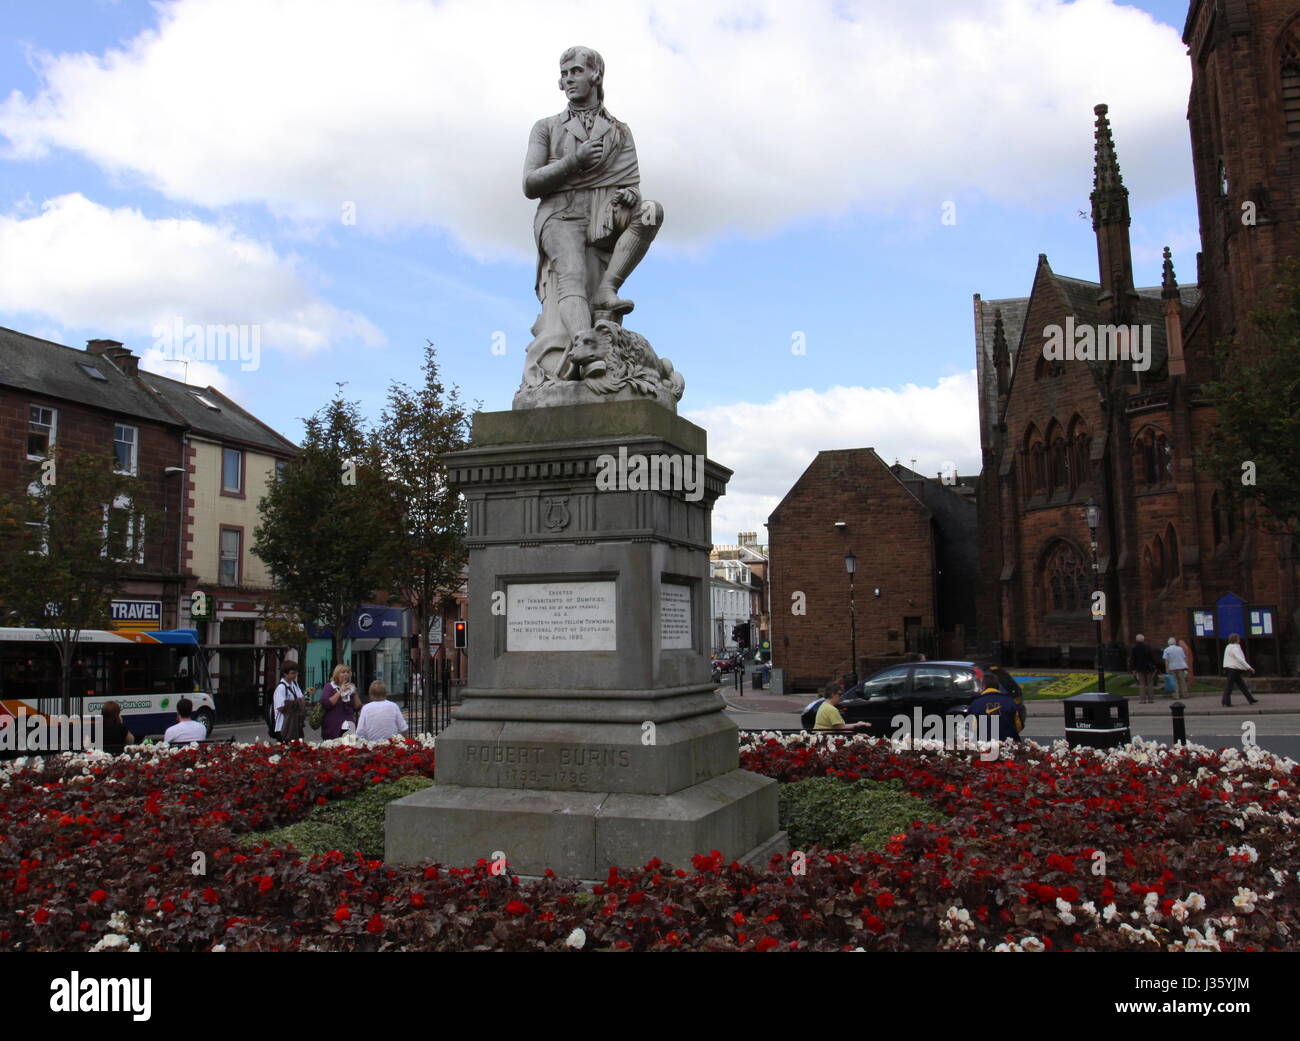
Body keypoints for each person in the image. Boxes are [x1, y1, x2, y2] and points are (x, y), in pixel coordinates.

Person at [520, 46, 664, 382]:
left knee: (651, 212)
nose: (568, 79)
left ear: (596, 75)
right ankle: (589, 356)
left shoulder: (619, 130)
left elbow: (629, 183)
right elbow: (529, 184)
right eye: (565, 73)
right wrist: (574, 161)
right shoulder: (546, 128)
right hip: (561, 213)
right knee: (570, 276)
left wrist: (630, 195)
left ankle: (607, 289)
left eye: (576, 71)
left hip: (602, 213)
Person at [318, 664, 360, 739]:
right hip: (333, 726)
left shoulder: (349, 687)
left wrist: (354, 692)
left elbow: (358, 707)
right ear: (337, 674)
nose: (346, 674)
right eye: (343, 672)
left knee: (348, 748)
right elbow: (327, 703)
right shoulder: (329, 686)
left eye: (347, 672)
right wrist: (340, 691)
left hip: (349, 725)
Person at [272, 664, 307, 743]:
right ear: (285, 674)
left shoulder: (294, 684)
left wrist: (307, 694)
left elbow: (301, 699)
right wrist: (295, 703)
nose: (295, 675)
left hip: (295, 725)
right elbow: (280, 707)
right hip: (284, 726)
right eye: (293, 673)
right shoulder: (281, 687)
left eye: (296, 672)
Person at [1221, 634, 1259, 706]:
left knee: (1241, 685)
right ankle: (1226, 702)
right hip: (1233, 669)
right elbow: (1240, 659)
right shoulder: (1235, 648)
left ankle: (1250, 699)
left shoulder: (1228, 647)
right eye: (1238, 638)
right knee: (1230, 686)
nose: (1239, 639)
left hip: (1229, 668)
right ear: (1236, 639)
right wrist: (1249, 668)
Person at [1129, 634, 1159, 704]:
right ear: (1143, 639)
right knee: (1150, 683)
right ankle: (1151, 699)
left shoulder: (1134, 648)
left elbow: (1133, 659)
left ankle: (1142, 699)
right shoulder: (1148, 647)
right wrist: (1155, 665)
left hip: (1140, 668)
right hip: (1149, 667)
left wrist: (1133, 669)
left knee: (1142, 684)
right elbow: (1153, 658)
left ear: (1136, 640)